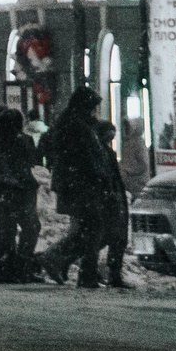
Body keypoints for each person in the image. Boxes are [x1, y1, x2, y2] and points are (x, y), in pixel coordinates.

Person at [39, 87, 120, 288]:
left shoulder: (71, 124)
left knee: (88, 229)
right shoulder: (77, 127)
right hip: (82, 186)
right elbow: (87, 160)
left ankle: (70, 264)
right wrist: (99, 180)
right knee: (92, 229)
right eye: (92, 107)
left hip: (77, 185)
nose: (94, 112)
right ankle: (67, 263)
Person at [0, 107, 43, 283]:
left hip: (2, 191)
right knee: (30, 228)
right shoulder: (24, 140)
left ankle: (4, 269)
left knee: (5, 231)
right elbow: (29, 164)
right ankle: (21, 267)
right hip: (21, 191)